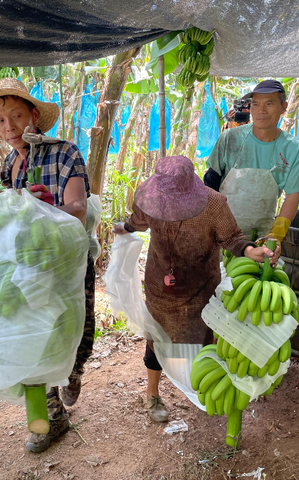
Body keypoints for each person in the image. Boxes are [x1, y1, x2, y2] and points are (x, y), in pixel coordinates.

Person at [0, 78, 95, 453]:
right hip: (25, 265)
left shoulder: (65, 153)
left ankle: (74, 371)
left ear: (34, 115)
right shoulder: (10, 163)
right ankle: (48, 421)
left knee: (80, 334)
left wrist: (45, 206)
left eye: (16, 117)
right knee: (33, 338)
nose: (9, 128)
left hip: (68, 261)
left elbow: (78, 208)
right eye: (1, 121)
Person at [113, 156, 278, 422]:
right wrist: (126, 228)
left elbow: (232, 237)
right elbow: (137, 221)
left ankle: (202, 386)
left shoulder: (213, 204)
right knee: (157, 336)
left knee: (202, 338)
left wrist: (249, 249)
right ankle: (152, 393)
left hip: (199, 287)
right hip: (160, 286)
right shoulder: (150, 198)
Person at [203, 80, 299, 245]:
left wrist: (277, 234)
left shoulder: (293, 148)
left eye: (269, 103)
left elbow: (293, 194)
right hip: (221, 231)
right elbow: (210, 181)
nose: (261, 110)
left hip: (261, 236)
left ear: (283, 107)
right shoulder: (230, 138)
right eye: (255, 104)